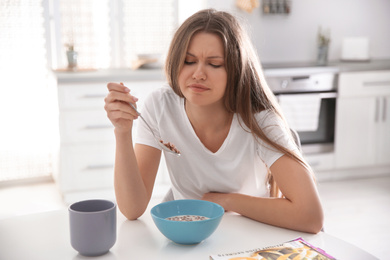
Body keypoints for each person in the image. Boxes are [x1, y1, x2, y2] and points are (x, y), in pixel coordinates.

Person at [104, 9, 324, 233]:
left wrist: (227, 201)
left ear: (236, 70)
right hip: (189, 234)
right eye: (189, 61)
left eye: (215, 64)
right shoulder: (161, 106)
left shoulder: (259, 120)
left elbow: (311, 216)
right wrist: (122, 132)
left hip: (251, 234)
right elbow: (132, 209)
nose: (198, 73)